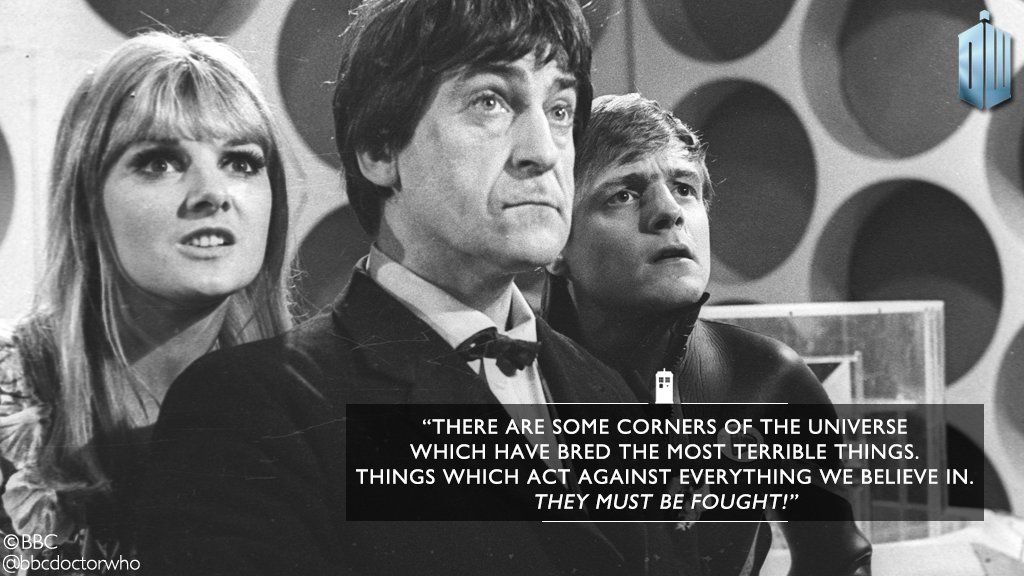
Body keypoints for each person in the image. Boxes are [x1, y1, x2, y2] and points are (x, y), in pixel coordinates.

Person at [135, 2, 700, 575]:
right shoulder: (257, 406)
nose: (543, 151)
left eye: (559, 110)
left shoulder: (610, 394)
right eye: (490, 101)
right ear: (380, 151)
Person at [545, 93, 873, 576]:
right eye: (623, 194)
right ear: (554, 241)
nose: (668, 212)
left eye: (684, 188)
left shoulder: (769, 378)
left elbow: (841, 560)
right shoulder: (514, 382)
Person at [0, 31, 291, 570]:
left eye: (241, 162)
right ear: (87, 200)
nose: (212, 193)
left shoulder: (323, 399)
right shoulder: (8, 390)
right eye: (160, 163)